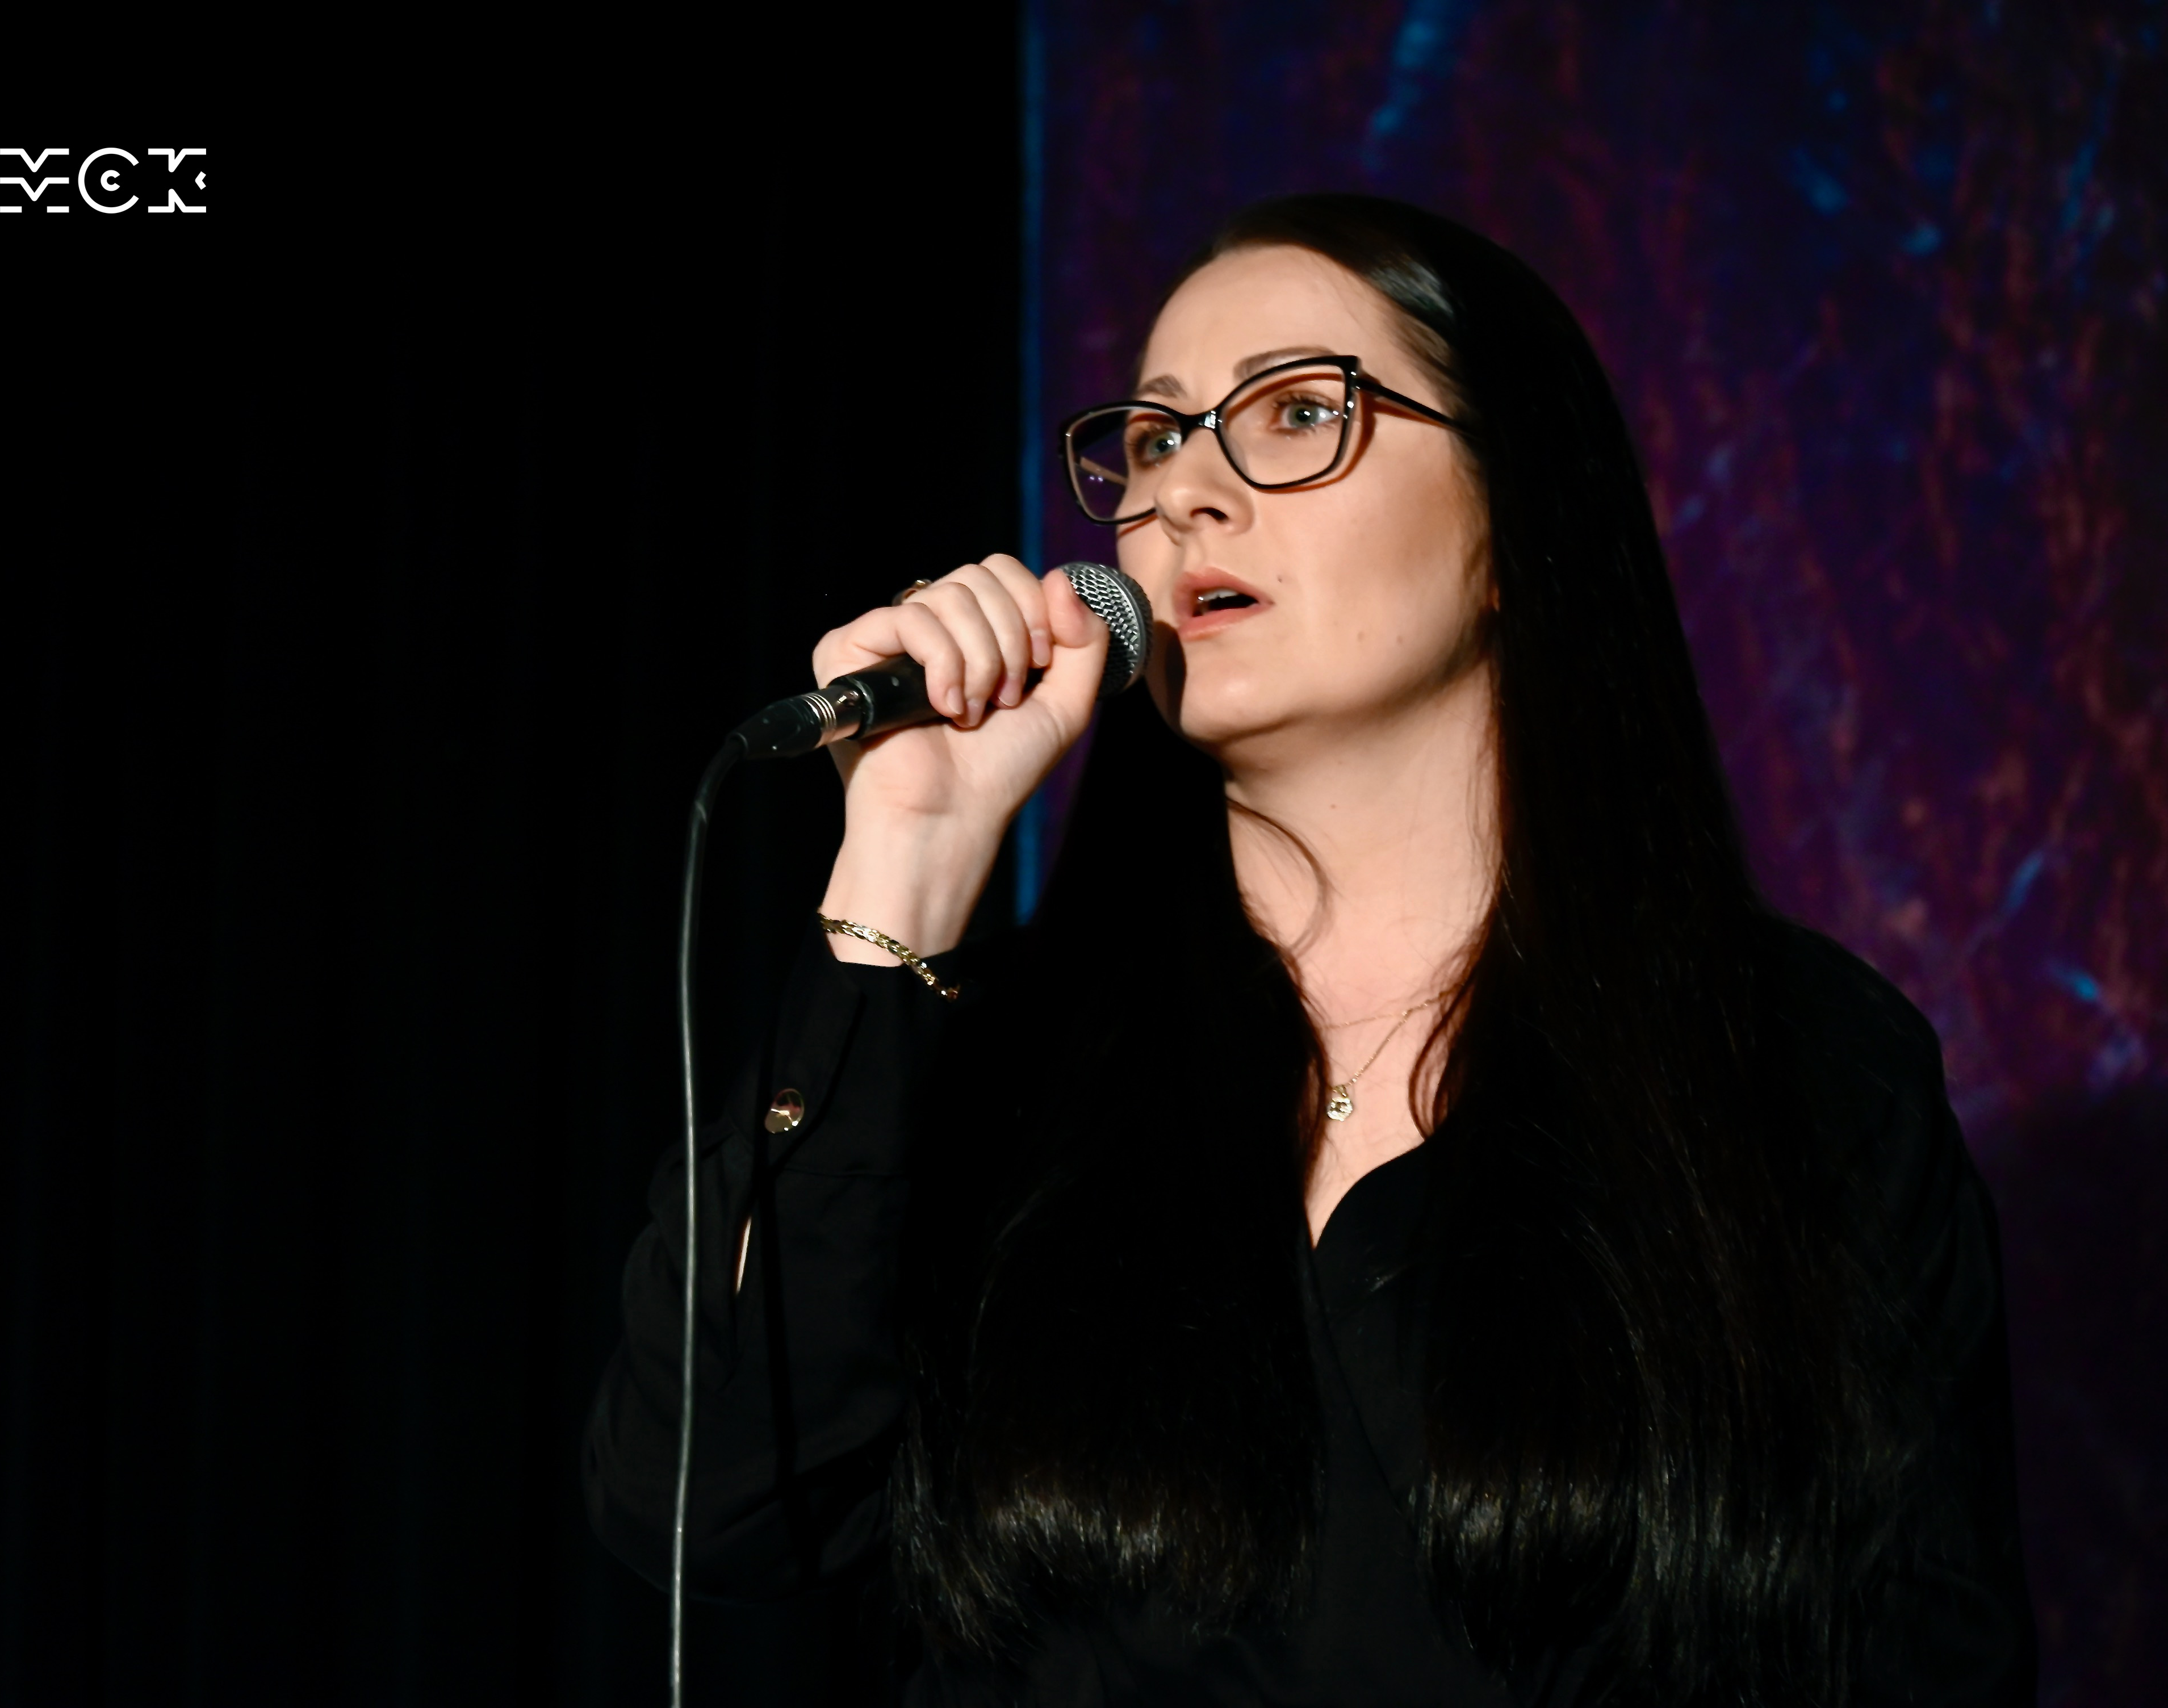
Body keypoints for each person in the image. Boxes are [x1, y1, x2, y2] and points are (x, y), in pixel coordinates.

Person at [587, 194, 2035, 1706]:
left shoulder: (1794, 1068)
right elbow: (707, 1502)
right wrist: (909, 855)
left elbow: (1930, 1657)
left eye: (1294, 413)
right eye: (1155, 438)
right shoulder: (991, 1057)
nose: (1185, 493)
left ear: (1517, 524)